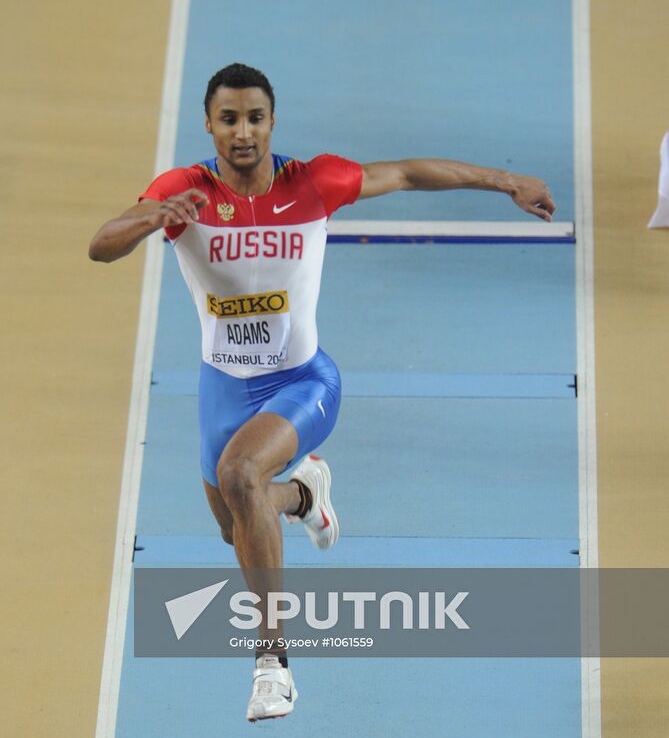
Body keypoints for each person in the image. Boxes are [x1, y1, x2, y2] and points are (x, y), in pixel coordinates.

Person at [89, 62, 555, 722]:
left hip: (303, 381)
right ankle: (305, 492)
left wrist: (505, 180)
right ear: (209, 125)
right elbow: (99, 246)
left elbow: (409, 172)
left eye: (254, 117)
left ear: (272, 122)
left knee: (239, 474)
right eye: (228, 118)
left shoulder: (312, 182)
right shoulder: (183, 190)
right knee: (239, 529)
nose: (242, 131)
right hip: (222, 390)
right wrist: (149, 219)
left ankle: (271, 664)